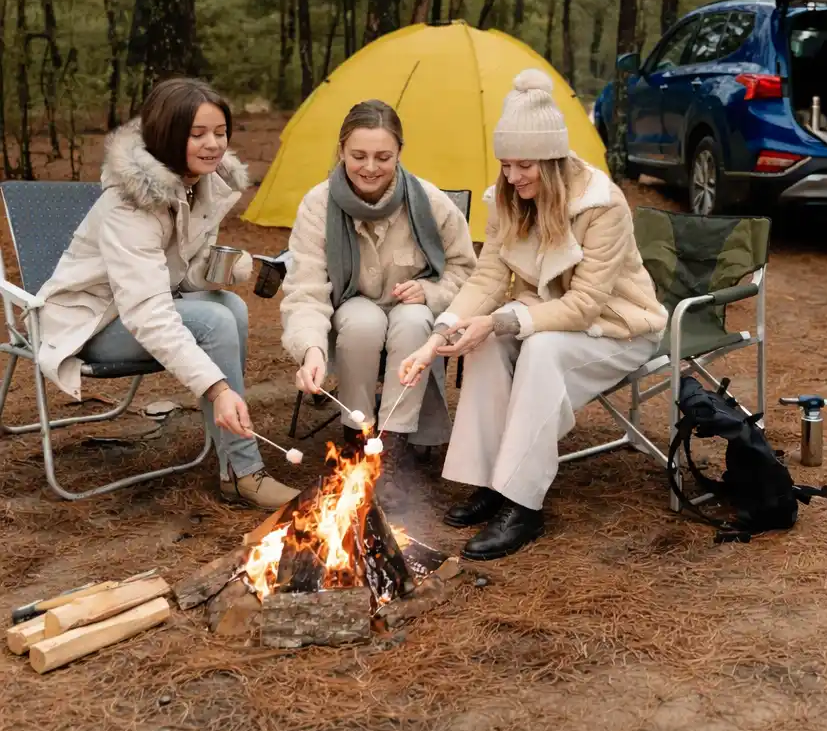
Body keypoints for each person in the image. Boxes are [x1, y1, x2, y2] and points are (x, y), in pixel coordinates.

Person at [399, 68, 667, 560]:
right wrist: (438, 334)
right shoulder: (508, 199)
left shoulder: (601, 205)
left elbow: (586, 303)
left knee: (535, 346)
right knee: (487, 341)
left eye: (524, 165)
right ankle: (489, 481)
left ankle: (522, 502)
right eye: (505, 164)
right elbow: (487, 278)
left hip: (616, 328)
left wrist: (502, 319)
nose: (512, 176)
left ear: (553, 158)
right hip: (543, 317)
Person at [36, 77, 299, 510]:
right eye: (197, 134)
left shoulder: (202, 184)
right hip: (88, 322)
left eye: (220, 132)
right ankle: (243, 473)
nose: (213, 144)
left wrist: (234, 266)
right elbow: (146, 312)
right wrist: (216, 389)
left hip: (135, 310)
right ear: (167, 135)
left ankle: (231, 456)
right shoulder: (130, 204)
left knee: (229, 306)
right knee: (215, 319)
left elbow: (181, 273)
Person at [280, 100, 476, 447]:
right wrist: (310, 349)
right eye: (358, 156)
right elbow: (305, 290)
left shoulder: (429, 201)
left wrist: (431, 293)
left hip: (413, 316)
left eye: (383, 157)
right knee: (362, 321)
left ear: (399, 152)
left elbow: (466, 271)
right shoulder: (318, 205)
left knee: (414, 319)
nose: (370, 168)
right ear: (341, 150)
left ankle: (394, 443)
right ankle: (358, 434)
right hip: (350, 313)